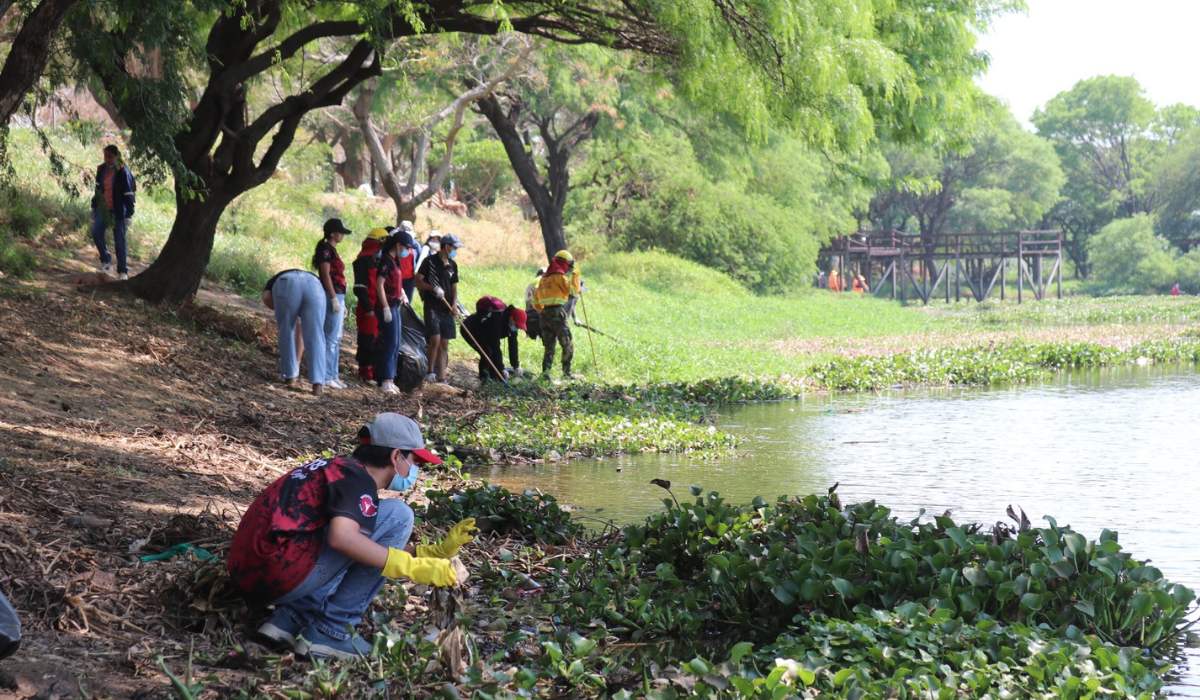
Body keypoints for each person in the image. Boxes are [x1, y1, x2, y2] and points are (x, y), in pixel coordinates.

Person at [228, 413, 473, 659]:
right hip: (278, 574)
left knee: (367, 529)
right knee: (399, 515)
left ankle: (290, 619)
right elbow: (343, 540)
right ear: (396, 456)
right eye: (414, 461)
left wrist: (429, 553)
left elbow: (346, 539)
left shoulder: (336, 468)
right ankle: (332, 631)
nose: (415, 469)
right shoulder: (357, 480)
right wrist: (411, 567)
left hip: (252, 573)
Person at [262, 269, 326, 395]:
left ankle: (290, 375)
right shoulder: (309, 277)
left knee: (286, 330)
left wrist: (281, 309)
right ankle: (318, 383)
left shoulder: (271, 285)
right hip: (315, 284)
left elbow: (266, 298)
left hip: (286, 283)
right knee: (316, 334)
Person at [416, 233, 461, 384]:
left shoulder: (453, 265)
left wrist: (454, 304)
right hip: (432, 306)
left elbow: (454, 287)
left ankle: (442, 377)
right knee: (434, 339)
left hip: (446, 309)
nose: (456, 251)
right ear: (447, 246)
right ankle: (430, 372)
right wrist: (433, 288)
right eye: (454, 248)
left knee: (444, 342)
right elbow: (418, 281)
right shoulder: (429, 262)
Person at [314, 219, 351, 390]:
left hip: (338, 294)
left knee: (336, 337)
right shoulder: (326, 250)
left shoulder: (332, 250)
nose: (342, 235)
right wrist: (333, 297)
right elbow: (325, 274)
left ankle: (333, 374)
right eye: (340, 232)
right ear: (332, 233)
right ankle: (326, 375)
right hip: (332, 294)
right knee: (330, 337)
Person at [90, 144, 136, 280]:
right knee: (96, 232)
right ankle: (106, 261)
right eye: (105, 156)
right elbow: (98, 189)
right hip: (103, 209)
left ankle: (122, 271)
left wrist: (129, 214)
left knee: (119, 240)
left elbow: (128, 193)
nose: (107, 159)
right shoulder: (101, 169)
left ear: (116, 156)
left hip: (118, 210)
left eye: (110, 156)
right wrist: (94, 207)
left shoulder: (123, 171)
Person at [533, 249, 580, 378]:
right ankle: (566, 373)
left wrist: (542, 311)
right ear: (564, 263)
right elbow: (573, 291)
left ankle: (545, 374)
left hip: (544, 315)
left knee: (549, 347)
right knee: (567, 343)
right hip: (557, 313)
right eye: (568, 265)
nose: (568, 268)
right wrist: (576, 275)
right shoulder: (560, 277)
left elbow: (535, 301)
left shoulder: (543, 279)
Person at [373, 233, 409, 395]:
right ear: (398, 245)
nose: (407, 251)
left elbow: (396, 282)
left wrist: (402, 293)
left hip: (395, 304)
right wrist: (385, 307)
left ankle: (390, 378)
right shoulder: (386, 261)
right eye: (405, 247)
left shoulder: (395, 261)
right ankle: (385, 379)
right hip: (387, 306)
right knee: (390, 342)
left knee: (395, 343)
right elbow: (379, 284)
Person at [352, 228, 389, 384]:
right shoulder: (364, 260)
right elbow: (359, 287)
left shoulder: (375, 259)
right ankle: (365, 371)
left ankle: (371, 371)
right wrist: (368, 308)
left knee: (375, 338)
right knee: (367, 338)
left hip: (375, 306)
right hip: (368, 307)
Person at [463, 296, 527, 382]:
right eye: (517, 325)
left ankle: (494, 377)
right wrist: (501, 368)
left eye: (518, 326)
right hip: (470, 329)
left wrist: (516, 366)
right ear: (511, 318)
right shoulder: (497, 320)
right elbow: (495, 346)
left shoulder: (512, 324)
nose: (517, 328)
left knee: (491, 354)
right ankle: (484, 379)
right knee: (487, 352)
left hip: (485, 334)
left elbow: (513, 345)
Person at [396, 221, 421, 303]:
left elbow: (419, 260)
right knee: (396, 300)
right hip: (395, 277)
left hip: (409, 279)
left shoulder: (416, 245)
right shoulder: (395, 243)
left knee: (407, 303)